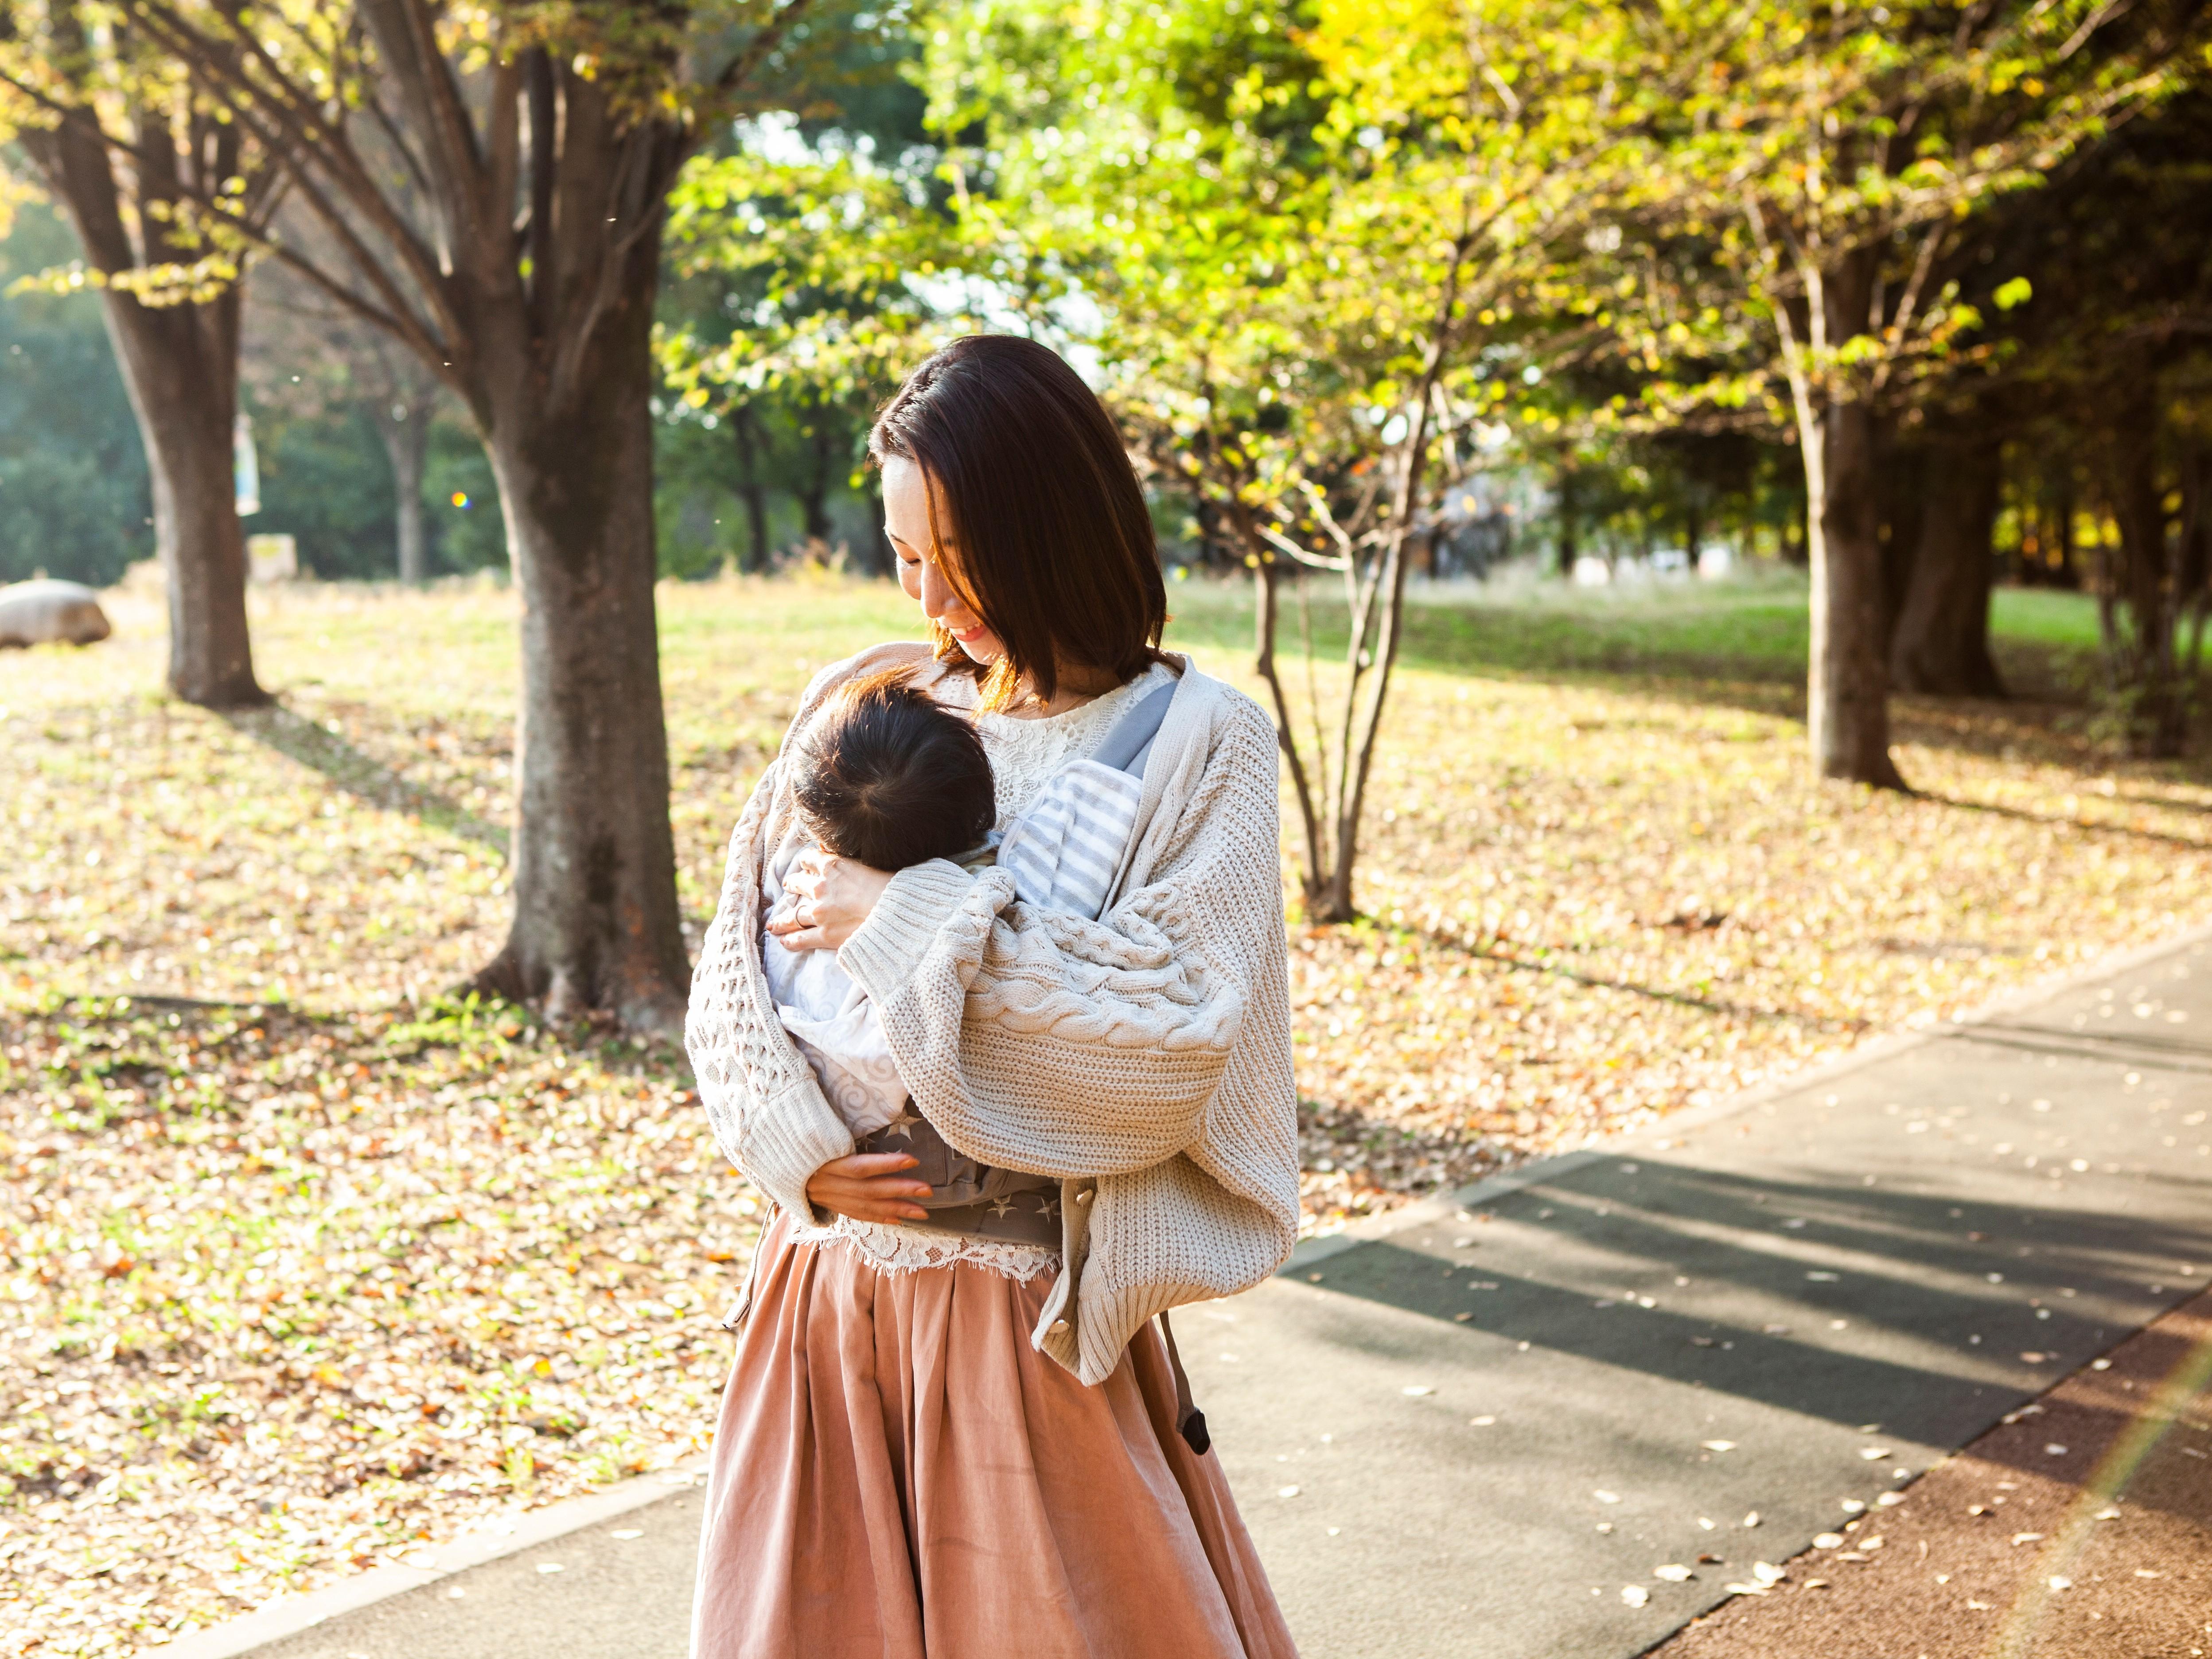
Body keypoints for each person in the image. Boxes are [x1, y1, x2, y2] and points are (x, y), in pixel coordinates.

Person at [684, 333, 1302, 1658]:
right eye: (902, 555)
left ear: (1046, 527)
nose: (924, 598)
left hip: (1021, 1332)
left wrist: (901, 916)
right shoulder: (869, 701)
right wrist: (797, 1156)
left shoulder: (1202, 746)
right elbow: (733, 970)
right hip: (827, 1306)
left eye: (952, 562)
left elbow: (1171, 1042)